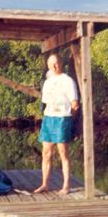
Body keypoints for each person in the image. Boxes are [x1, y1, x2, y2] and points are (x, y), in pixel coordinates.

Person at [34, 54, 79, 194]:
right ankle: (44, 184)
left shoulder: (68, 81)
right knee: (46, 153)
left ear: (61, 63)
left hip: (62, 119)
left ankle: (66, 185)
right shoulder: (47, 82)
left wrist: (68, 118)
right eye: (51, 64)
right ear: (48, 65)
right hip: (48, 118)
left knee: (63, 153)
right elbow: (46, 102)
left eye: (56, 63)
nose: (54, 66)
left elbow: (75, 104)